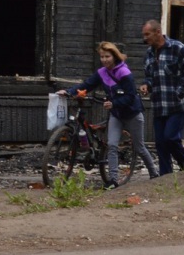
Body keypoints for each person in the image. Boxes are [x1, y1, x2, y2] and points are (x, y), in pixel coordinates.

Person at [61, 42, 155, 187]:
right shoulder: (102, 72)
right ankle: (113, 180)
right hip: (116, 115)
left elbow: (131, 96)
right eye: (102, 57)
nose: (104, 60)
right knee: (111, 145)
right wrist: (69, 91)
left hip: (132, 114)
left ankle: (154, 174)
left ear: (114, 56)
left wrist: (114, 103)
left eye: (107, 56)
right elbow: (87, 85)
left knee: (139, 146)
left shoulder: (124, 73)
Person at [140, 18, 184, 175]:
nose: (145, 38)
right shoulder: (149, 53)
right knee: (160, 143)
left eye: (147, 35)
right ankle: (165, 177)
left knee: (171, 138)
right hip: (159, 105)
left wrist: (179, 92)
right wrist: (146, 85)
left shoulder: (177, 48)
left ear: (158, 32)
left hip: (178, 104)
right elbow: (149, 76)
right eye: (143, 35)